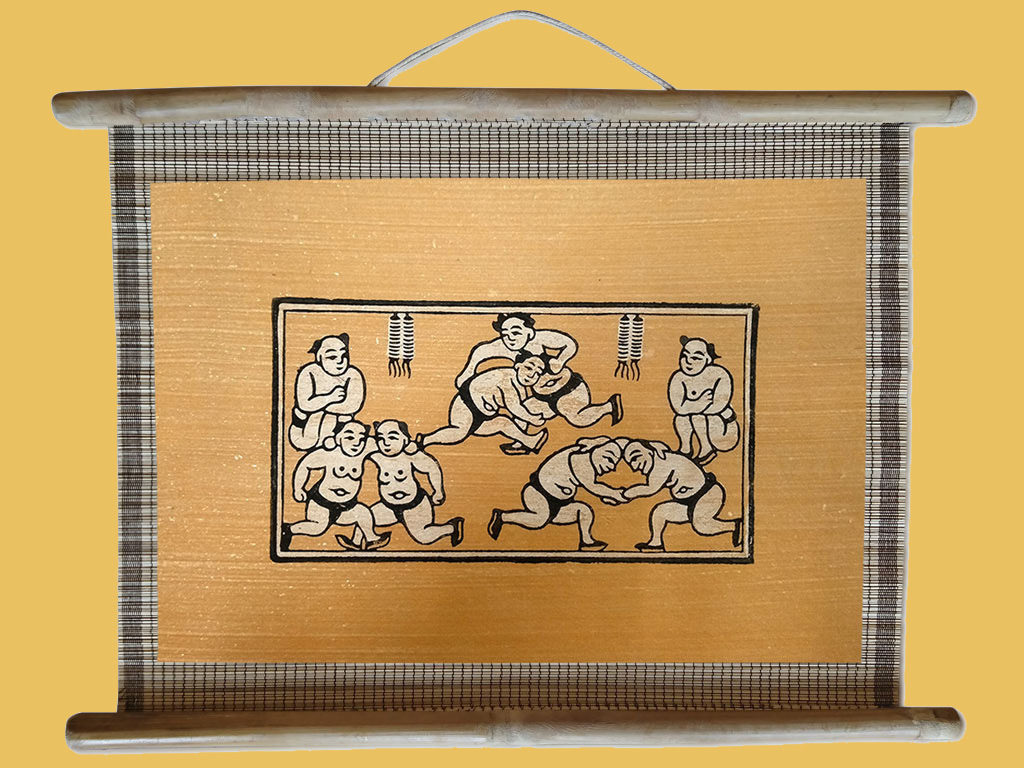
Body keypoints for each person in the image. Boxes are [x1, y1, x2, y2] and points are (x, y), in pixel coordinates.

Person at [488, 436, 630, 552]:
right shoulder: (580, 459)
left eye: (614, 464)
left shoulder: (585, 454)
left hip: (559, 504)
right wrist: (616, 494)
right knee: (539, 519)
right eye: (609, 459)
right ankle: (502, 517)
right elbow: (594, 487)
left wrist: (609, 495)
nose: (611, 467)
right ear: (597, 451)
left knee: (584, 511)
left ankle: (587, 542)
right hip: (538, 493)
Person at [282, 421, 390, 552]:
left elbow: (385, 443)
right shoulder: (329, 453)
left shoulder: (364, 450)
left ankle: (371, 538)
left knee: (362, 512)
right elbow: (305, 465)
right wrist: (298, 488)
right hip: (322, 504)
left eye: (361, 439)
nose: (356, 443)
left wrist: (409, 446)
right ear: (338, 438)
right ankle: (288, 530)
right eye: (349, 437)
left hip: (346, 505)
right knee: (317, 528)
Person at [621, 439, 742, 551]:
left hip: (706, 494)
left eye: (635, 458)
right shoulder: (659, 461)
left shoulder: (662, 462)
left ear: (649, 452)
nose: (634, 466)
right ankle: (656, 544)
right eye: (630, 462)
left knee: (701, 525)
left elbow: (650, 489)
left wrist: (624, 494)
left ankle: (735, 526)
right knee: (660, 512)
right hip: (687, 502)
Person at [420, 352, 549, 454]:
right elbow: (514, 406)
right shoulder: (505, 377)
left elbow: (520, 413)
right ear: (518, 366)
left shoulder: (521, 389)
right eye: (528, 368)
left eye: (537, 373)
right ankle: (424, 441)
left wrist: (519, 439)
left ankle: (530, 441)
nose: (531, 375)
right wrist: (532, 418)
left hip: (483, 416)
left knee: (502, 423)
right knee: (459, 432)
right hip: (467, 406)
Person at [367, 420, 464, 547]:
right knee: (364, 517)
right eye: (381, 438)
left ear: (405, 439)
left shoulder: (411, 456)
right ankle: (360, 544)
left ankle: (451, 528)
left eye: (392, 437)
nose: (386, 443)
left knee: (423, 537)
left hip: (415, 506)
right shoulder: (377, 456)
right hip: (388, 506)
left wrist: (438, 491)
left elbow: (431, 468)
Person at [454, 313, 579, 388]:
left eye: (515, 333)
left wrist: (560, 361)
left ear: (529, 333)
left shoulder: (540, 338)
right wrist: (468, 371)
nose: (510, 338)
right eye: (505, 334)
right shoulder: (500, 345)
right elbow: (480, 351)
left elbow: (570, 344)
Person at [667, 336, 739, 465]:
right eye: (684, 356)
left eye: (695, 358)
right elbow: (678, 408)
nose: (688, 362)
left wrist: (691, 406)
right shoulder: (678, 377)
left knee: (696, 416)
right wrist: (700, 403)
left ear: (708, 359)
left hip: (723, 431)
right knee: (680, 418)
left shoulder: (719, 374)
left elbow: (718, 405)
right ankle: (685, 449)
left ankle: (707, 448)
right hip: (702, 421)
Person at [288, 334, 366, 451]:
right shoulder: (309, 371)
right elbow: (304, 404)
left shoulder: (353, 374)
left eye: (344, 355)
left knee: (343, 420)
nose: (340, 361)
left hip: (335, 426)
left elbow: (353, 405)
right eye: (332, 357)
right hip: (308, 422)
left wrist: (318, 405)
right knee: (303, 441)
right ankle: (301, 422)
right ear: (319, 358)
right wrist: (329, 398)